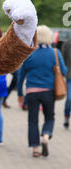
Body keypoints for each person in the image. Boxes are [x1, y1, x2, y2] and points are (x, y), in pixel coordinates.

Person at [18, 25, 67, 157]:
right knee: (49, 117)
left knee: (33, 120)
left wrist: (19, 94)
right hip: (48, 92)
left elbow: (20, 75)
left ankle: (35, 149)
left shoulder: (29, 54)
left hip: (31, 92)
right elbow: (64, 71)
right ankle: (45, 136)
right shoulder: (55, 53)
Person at [61, 37, 71, 128]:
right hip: (69, 77)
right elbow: (62, 61)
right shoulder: (67, 44)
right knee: (69, 99)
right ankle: (67, 116)